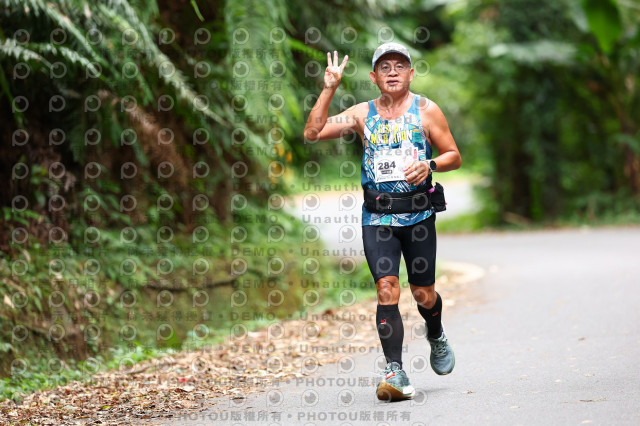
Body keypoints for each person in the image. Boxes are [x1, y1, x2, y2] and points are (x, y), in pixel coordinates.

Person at [303, 42, 462, 401]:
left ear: (411, 73)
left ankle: (435, 332)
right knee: (387, 288)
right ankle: (395, 371)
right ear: (374, 77)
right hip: (377, 217)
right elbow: (313, 133)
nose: (392, 71)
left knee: (423, 294)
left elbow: (453, 155)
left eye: (400, 65)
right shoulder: (362, 113)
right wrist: (329, 88)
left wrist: (430, 165)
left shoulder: (427, 110)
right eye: (385, 67)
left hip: (419, 215)